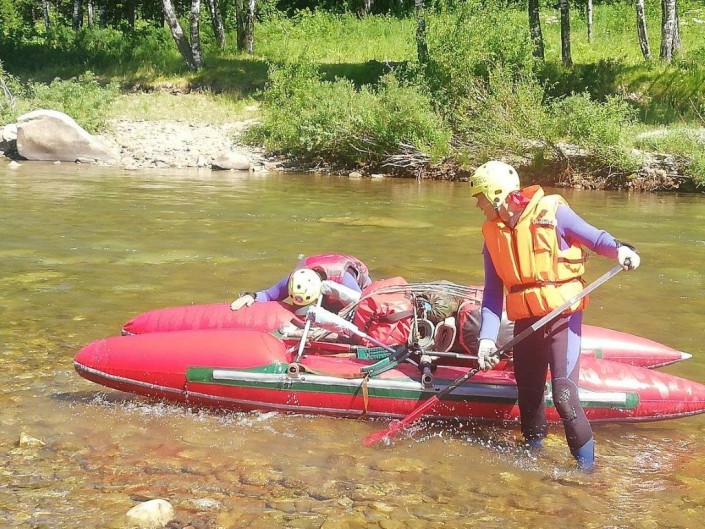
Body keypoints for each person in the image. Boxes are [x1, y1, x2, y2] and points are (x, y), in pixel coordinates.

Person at [469, 160, 640, 471]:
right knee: (529, 396)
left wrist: (621, 250)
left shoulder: (553, 212)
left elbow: (595, 239)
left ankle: (587, 472)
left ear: (496, 194)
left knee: (563, 396)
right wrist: (486, 340)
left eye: (480, 196)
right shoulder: (492, 234)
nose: (477, 204)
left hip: (562, 318)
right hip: (527, 323)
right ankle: (532, 457)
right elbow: (493, 293)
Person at [230, 254, 372, 314]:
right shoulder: (294, 279)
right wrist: (251, 296)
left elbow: (365, 306)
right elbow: (268, 295)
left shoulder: (344, 281)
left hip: (356, 279)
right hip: (319, 269)